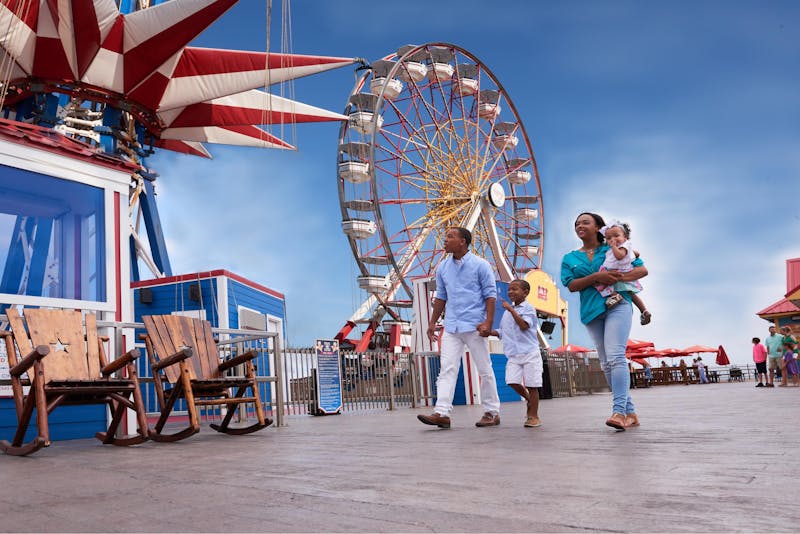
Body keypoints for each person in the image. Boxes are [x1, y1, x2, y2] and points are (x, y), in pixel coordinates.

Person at [561, 212, 648, 430]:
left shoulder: (614, 247)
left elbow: (642, 269)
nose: (579, 226)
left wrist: (618, 278)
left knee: (616, 355)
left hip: (618, 304)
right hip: (591, 311)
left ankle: (618, 411)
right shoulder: (569, 258)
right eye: (576, 223)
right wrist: (596, 278)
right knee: (605, 362)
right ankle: (630, 412)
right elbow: (571, 285)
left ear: (599, 227)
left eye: (585, 222)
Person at [417, 227, 501, 429]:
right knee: (447, 369)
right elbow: (441, 297)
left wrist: (488, 322)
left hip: (475, 325)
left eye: (450, 237)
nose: (444, 240)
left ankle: (491, 411)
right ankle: (442, 413)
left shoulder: (481, 265)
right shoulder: (443, 268)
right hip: (452, 326)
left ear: (463, 241)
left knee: (484, 369)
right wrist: (432, 322)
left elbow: (491, 295)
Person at [488, 279, 542, 428]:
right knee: (511, 381)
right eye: (509, 289)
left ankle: (534, 416)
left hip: (530, 353)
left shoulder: (529, 308)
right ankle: (529, 400)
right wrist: (489, 332)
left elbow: (524, 325)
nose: (510, 292)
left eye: (515, 289)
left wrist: (511, 310)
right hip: (513, 354)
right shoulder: (506, 314)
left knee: (532, 385)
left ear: (525, 292)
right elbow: (502, 332)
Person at [594, 220, 652, 325]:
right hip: (623, 273)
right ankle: (644, 311)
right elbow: (635, 253)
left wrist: (614, 247)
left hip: (617, 271)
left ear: (625, 237)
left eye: (616, 236)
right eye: (609, 238)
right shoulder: (626, 247)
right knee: (631, 293)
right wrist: (635, 253)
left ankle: (614, 295)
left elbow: (619, 256)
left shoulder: (621, 247)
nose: (613, 240)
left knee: (598, 282)